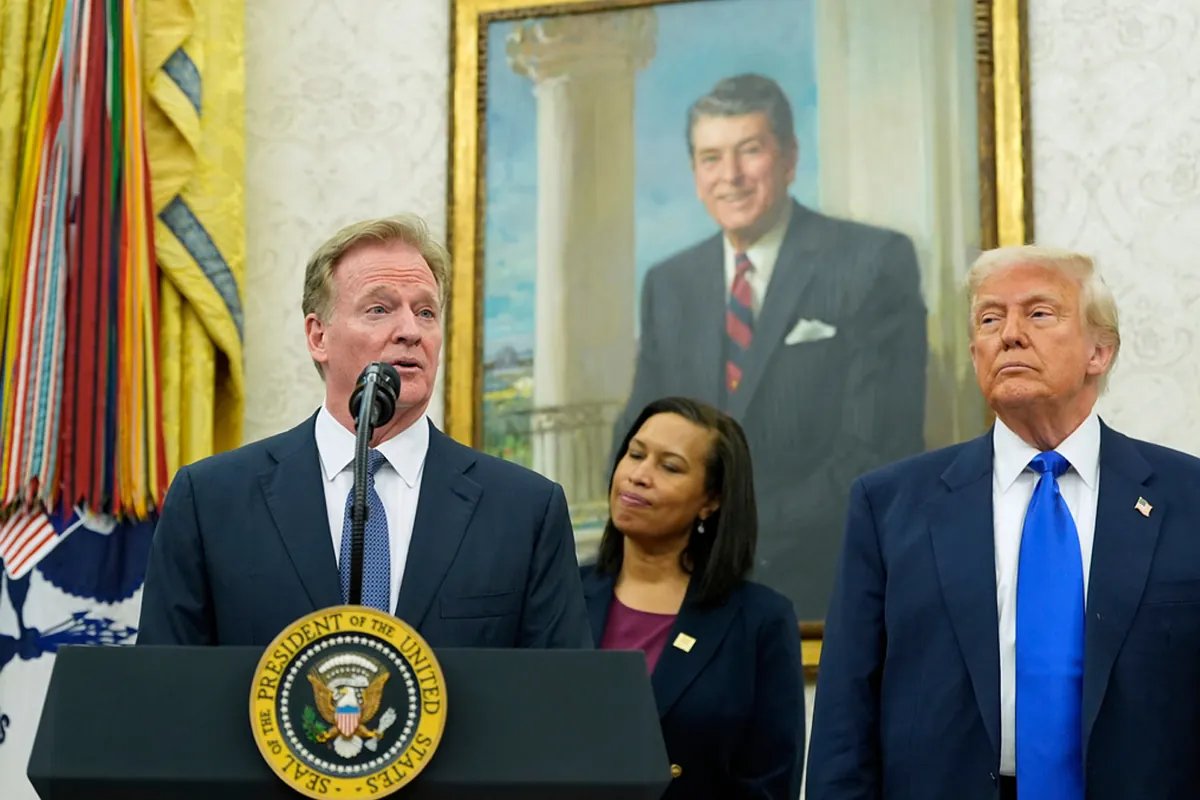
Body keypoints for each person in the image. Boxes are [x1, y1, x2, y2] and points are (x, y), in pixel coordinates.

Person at [806, 245, 1200, 800]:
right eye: (991, 319)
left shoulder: (1188, 497)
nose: (1009, 334)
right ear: (974, 354)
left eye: (1039, 314)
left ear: (1100, 351)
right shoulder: (890, 505)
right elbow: (844, 716)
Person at [138, 214, 591, 649]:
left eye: (427, 313)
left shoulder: (523, 511)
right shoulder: (211, 500)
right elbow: (167, 690)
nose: (411, 331)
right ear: (318, 337)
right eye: (380, 309)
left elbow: (559, 700)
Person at [616, 73, 927, 619]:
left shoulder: (871, 261)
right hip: (686, 587)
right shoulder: (669, 283)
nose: (730, 176)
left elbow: (876, 452)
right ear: (694, 173)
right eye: (711, 158)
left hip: (824, 585)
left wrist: (727, 529)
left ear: (788, 158)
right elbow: (633, 434)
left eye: (750, 151)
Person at [584, 396, 804, 799]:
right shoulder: (561, 594)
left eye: (669, 467)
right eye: (635, 454)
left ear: (711, 500)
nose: (639, 475)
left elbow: (771, 781)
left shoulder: (759, 620)